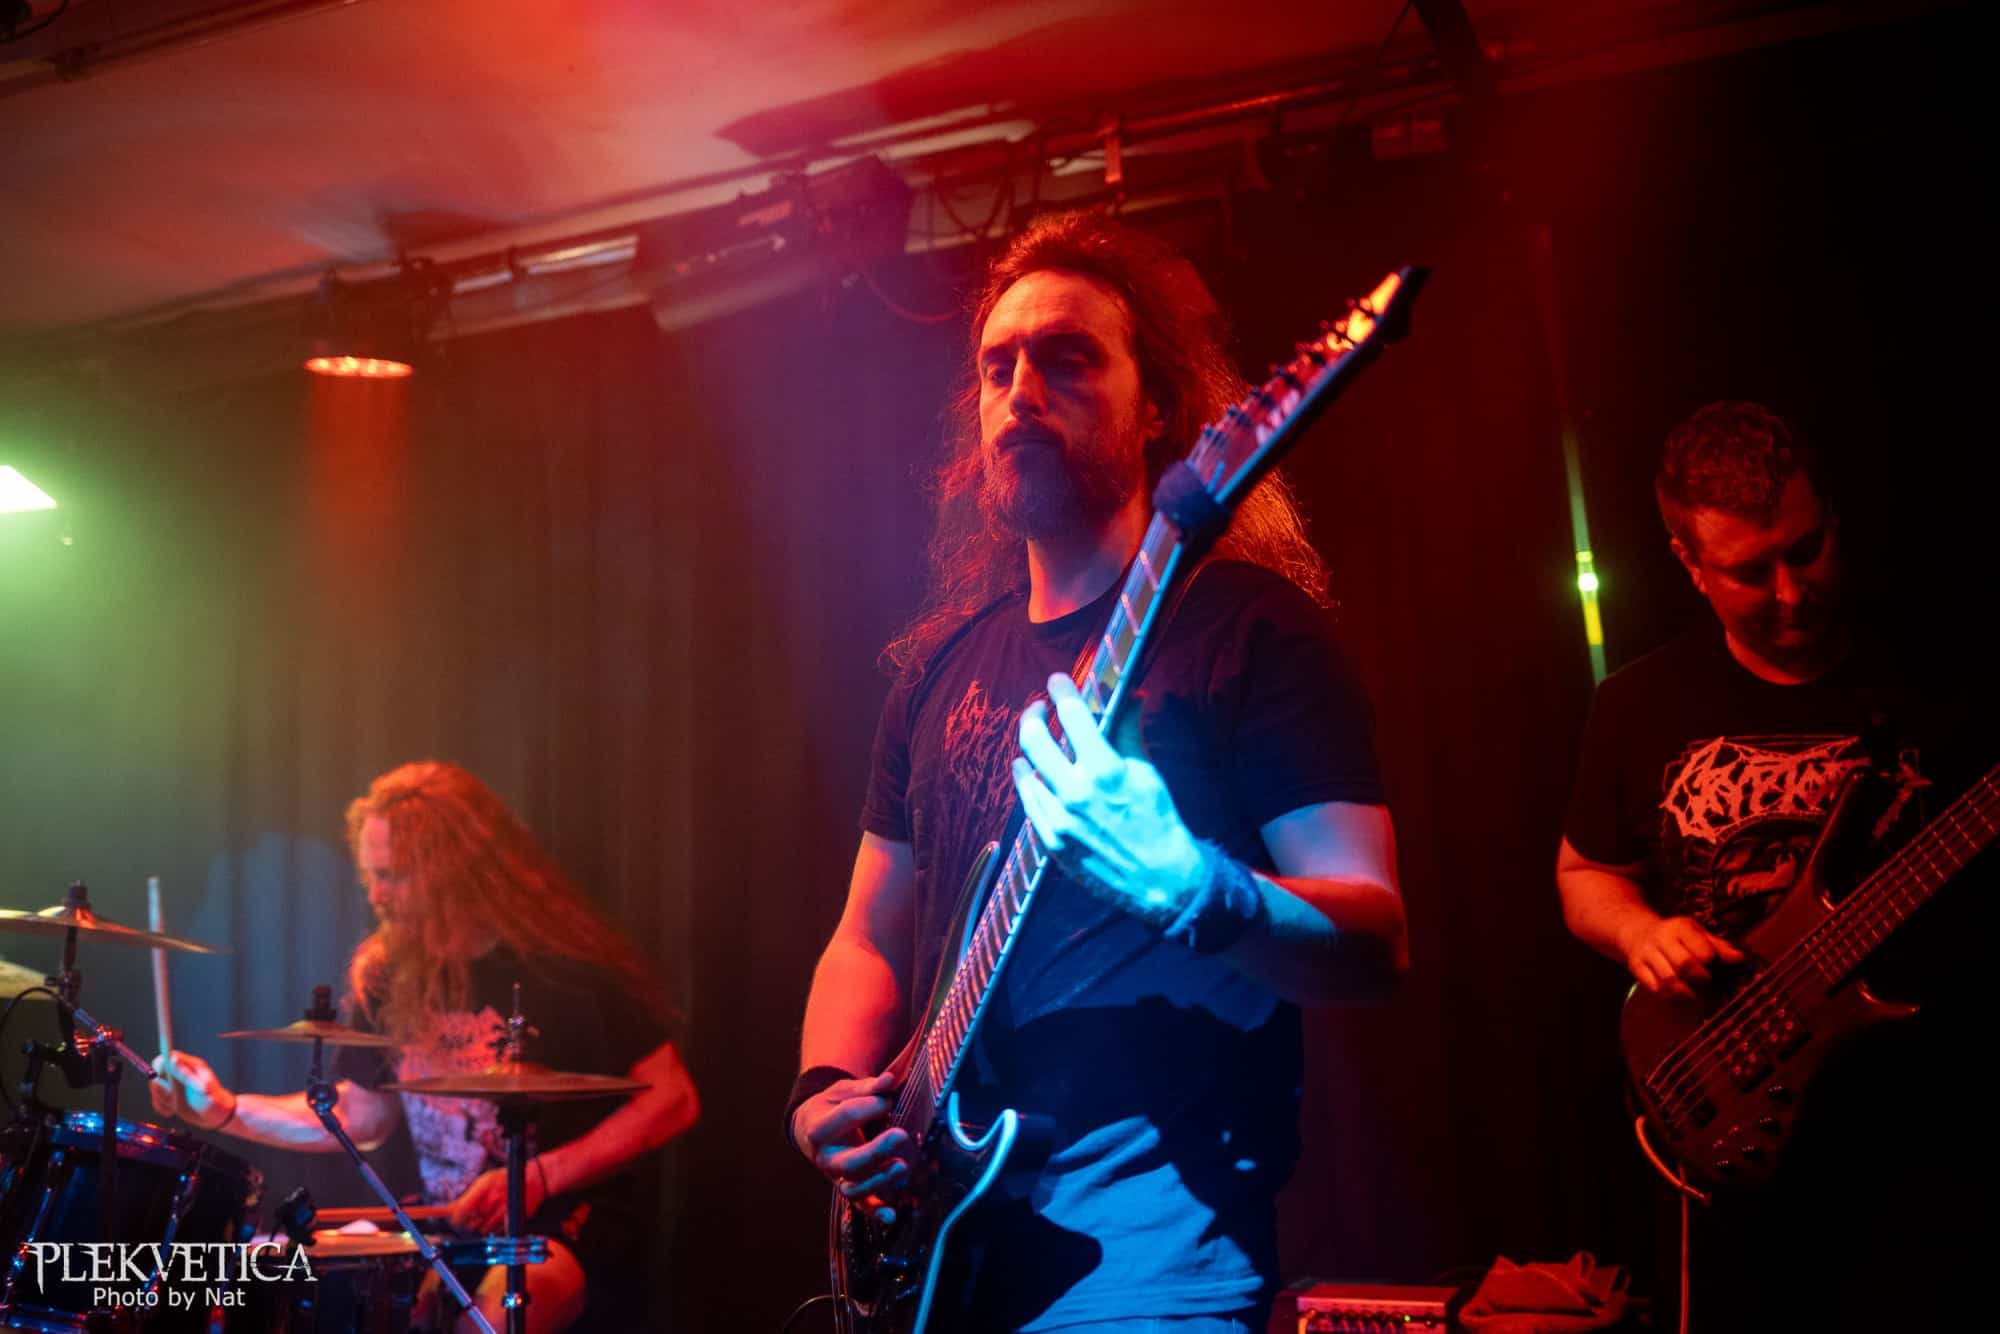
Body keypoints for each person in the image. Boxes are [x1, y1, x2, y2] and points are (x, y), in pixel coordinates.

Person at [787, 212, 1407, 1332]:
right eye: (997, 367)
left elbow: (1373, 938)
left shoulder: (1250, 636)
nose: (1021, 390)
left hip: (1151, 1264)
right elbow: (868, 934)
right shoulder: (936, 672)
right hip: (941, 1249)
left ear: (1157, 405)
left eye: (1067, 357)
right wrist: (824, 1091)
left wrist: (1195, 888)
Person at [1556, 402, 1986, 1331]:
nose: (1791, 593)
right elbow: (1584, 876)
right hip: (1736, 1118)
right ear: (1689, 564)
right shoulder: (1637, 703)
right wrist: (1642, 933)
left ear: (1831, 514)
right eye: (1751, 572)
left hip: (1928, 1132)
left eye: (1808, 549)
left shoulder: (1944, 681)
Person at [150, 760, 699, 1333]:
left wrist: (540, 1176)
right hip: (446, 1226)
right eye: (371, 875)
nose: (376, 895)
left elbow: (674, 1098)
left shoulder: (563, 970)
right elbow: (361, 1117)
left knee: (487, 1321)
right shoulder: (391, 973)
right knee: (280, 1283)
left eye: (393, 876)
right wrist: (226, 1109)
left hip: (559, 1222)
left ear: (453, 871)